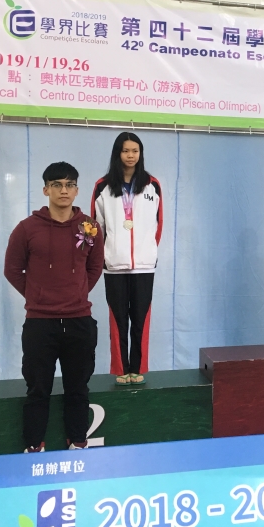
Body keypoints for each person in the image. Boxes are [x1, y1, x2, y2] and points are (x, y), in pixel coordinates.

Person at [4, 162, 104, 452]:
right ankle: (34, 446)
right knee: (38, 389)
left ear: (77, 191)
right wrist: (38, 296)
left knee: (78, 388)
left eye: (70, 185)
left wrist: (76, 294)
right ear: (46, 190)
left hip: (79, 321)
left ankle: (78, 442)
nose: (64, 190)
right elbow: (12, 269)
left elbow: (95, 267)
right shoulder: (26, 228)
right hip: (40, 323)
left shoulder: (90, 228)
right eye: (57, 185)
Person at [91, 132, 163, 385]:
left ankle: (138, 367)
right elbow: (96, 227)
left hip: (144, 266)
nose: (130, 156)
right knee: (118, 320)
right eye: (125, 151)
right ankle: (122, 369)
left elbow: (158, 225)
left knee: (141, 320)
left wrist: (148, 251)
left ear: (140, 154)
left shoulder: (153, 185)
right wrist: (106, 254)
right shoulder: (102, 186)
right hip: (114, 265)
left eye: (135, 151)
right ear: (117, 153)